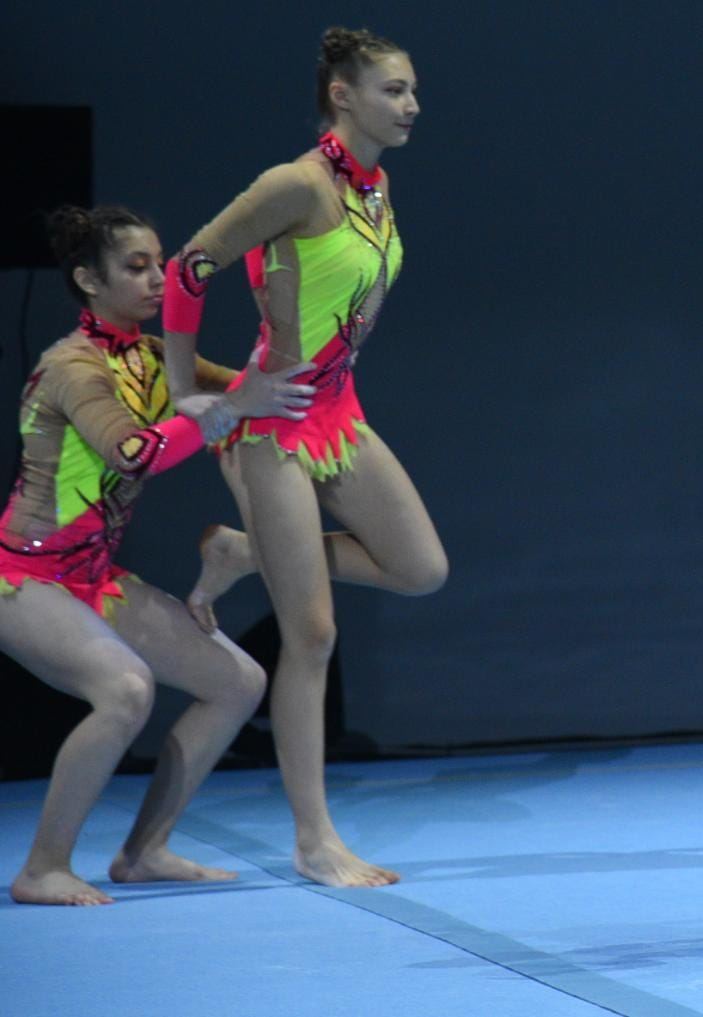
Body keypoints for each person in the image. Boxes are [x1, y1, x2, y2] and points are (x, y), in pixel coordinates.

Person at [164, 26, 448, 888]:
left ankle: (245, 555)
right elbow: (187, 269)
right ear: (343, 95)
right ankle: (314, 838)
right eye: (395, 90)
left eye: (412, 91)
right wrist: (190, 394)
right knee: (313, 631)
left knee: (420, 566)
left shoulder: (376, 187)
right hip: (272, 427)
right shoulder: (293, 185)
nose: (411, 105)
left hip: (335, 411)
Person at [1, 205, 314, 905]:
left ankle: (144, 852)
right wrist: (231, 407)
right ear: (87, 278)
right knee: (125, 689)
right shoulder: (70, 367)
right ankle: (43, 866)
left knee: (238, 681)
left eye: (160, 265)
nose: (156, 280)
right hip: (23, 579)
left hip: (92, 577)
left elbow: (251, 390)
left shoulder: (147, 357)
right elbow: (131, 453)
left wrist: (299, 339)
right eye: (135, 267)